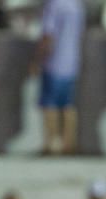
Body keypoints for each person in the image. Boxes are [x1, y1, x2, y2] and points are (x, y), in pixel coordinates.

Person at [33, 0, 85, 155]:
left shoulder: (54, 5)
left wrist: (37, 59)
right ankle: (69, 144)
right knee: (68, 105)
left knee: (50, 106)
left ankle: (52, 145)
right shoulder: (76, 5)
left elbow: (48, 36)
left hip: (55, 62)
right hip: (72, 62)